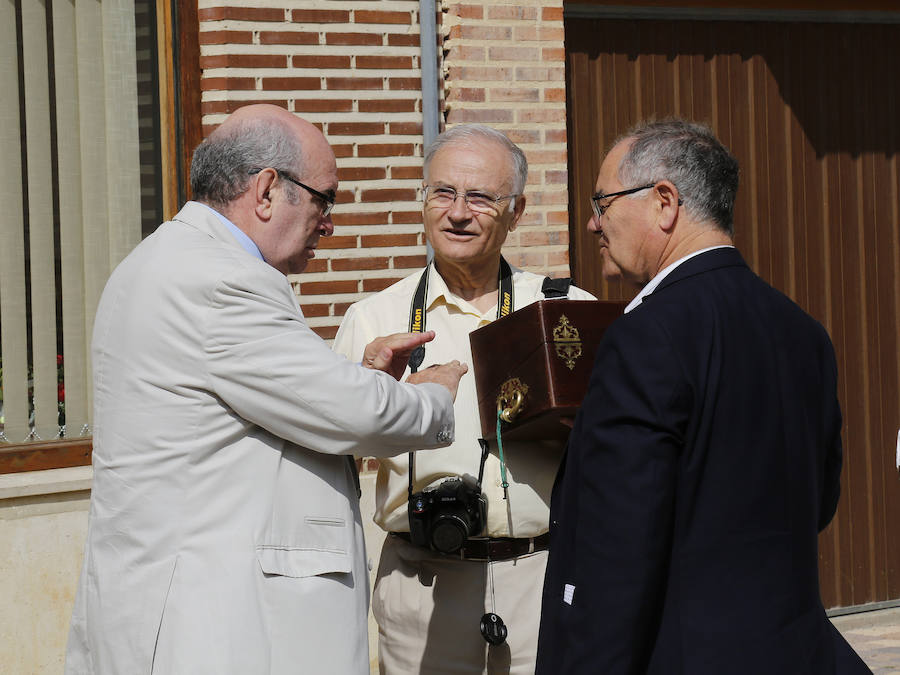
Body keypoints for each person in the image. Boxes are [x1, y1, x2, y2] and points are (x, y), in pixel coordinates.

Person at [65, 104, 468, 675]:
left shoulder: (162, 259)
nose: (329, 225)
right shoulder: (222, 280)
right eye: (324, 200)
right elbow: (351, 414)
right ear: (266, 190)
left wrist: (363, 378)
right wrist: (435, 395)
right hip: (215, 630)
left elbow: (270, 411)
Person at [536, 119, 870, 674]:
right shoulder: (802, 330)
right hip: (793, 650)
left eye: (603, 202)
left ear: (664, 202)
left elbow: (617, 553)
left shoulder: (645, 333)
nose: (594, 223)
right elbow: (817, 501)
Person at [333, 124, 595, 674]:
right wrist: (368, 390)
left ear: (516, 212)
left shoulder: (564, 312)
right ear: (422, 200)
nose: (457, 212)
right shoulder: (373, 319)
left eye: (479, 197)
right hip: (420, 585)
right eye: (443, 193)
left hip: (540, 579)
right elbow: (335, 452)